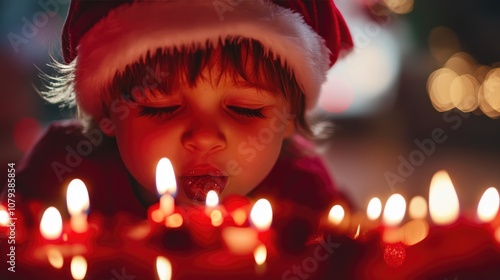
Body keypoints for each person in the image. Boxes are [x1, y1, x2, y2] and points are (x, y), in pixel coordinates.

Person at [1, 0, 353, 278]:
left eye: (246, 110)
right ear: (107, 114)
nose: (203, 137)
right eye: (161, 108)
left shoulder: (304, 196)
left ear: (289, 120)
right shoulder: (63, 168)